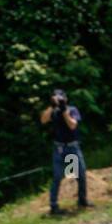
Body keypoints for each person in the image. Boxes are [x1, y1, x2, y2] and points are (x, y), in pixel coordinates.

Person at [40, 87, 92, 216]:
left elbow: (72, 125)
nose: (58, 100)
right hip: (59, 148)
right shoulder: (53, 111)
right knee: (57, 176)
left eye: (60, 97)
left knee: (78, 174)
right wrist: (52, 107)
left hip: (71, 149)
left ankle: (82, 200)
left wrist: (64, 111)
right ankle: (54, 206)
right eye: (55, 97)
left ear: (65, 98)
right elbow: (43, 120)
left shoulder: (72, 110)